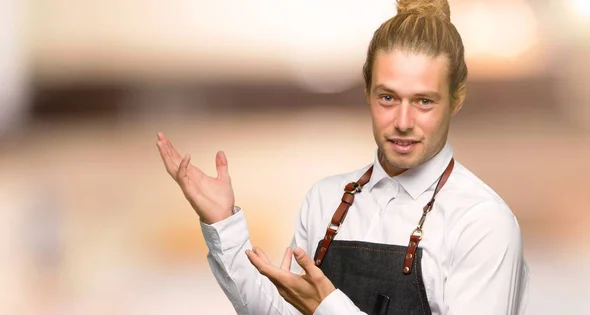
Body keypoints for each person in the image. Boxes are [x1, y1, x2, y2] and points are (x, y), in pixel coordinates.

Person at [156, 0, 529, 314]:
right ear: (367, 92)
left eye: (423, 101)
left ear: (456, 100)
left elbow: (320, 308)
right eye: (388, 97)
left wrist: (328, 307)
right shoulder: (326, 198)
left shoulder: (482, 223)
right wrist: (223, 225)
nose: (402, 122)